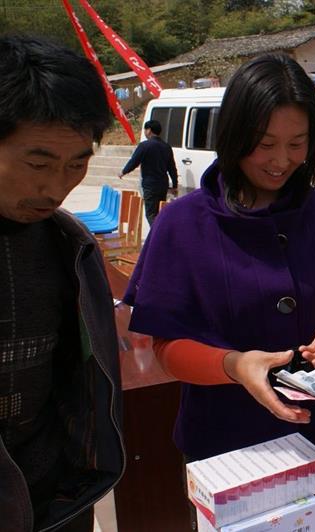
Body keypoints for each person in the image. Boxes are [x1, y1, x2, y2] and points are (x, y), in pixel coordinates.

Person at [122, 53, 315, 528]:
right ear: (235, 136)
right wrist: (235, 366)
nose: (282, 161)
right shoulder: (184, 223)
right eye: (264, 144)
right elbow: (166, 348)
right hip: (221, 443)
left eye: (298, 143)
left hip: (311, 435)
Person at [0, 35, 124, 532]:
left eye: (77, 164)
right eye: (38, 163)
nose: (56, 189)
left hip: (57, 502)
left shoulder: (71, 245)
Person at [118, 119, 178, 225]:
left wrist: (123, 172)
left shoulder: (144, 145)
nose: (145, 132)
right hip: (163, 184)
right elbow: (172, 167)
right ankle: (160, 234)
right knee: (160, 212)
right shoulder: (166, 146)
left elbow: (134, 161)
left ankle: (158, 237)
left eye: (145, 130)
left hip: (150, 185)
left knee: (151, 214)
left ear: (149, 130)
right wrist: (174, 185)